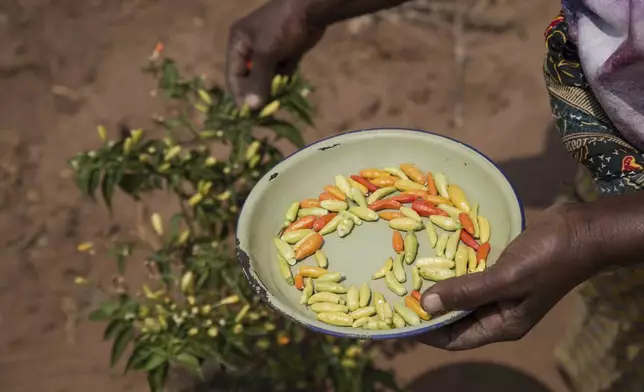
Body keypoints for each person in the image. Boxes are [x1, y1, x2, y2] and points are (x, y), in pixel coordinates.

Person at [225, 1, 644, 391]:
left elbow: (592, 237)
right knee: (610, 311)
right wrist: (309, 7)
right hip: (609, 145)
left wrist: (593, 237)